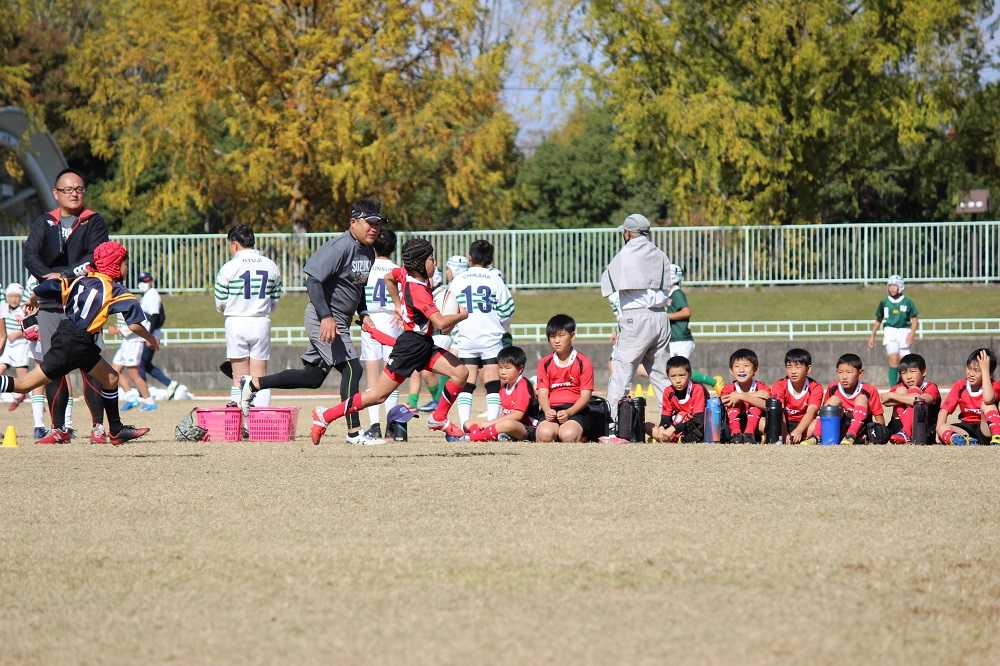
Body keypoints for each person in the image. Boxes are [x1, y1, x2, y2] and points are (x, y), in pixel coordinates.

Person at [239, 200, 384, 445]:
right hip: (324, 318)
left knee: (313, 377)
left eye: (378, 224)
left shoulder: (368, 251)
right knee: (352, 369)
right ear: (353, 222)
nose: (374, 229)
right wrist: (326, 316)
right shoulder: (340, 247)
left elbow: (358, 287)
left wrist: (364, 312)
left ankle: (253, 384)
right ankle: (354, 433)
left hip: (340, 319)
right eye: (369, 223)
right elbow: (313, 280)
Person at [309, 238, 470, 444]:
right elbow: (440, 322)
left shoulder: (407, 274)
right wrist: (462, 315)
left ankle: (438, 418)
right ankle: (325, 416)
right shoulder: (418, 291)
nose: (435, 263)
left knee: (460, 373)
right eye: (431, 259)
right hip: (410, 347)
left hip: (423, 343)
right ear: (420, 263)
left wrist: (398, 305)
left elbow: (389, 277)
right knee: (377, 396)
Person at [0, 241, 155, 445]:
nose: (126, 268)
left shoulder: (81, 280)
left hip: (69, 337)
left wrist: (34, 297)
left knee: (111, 378)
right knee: (23, 385)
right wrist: (151, 339)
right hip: (76, 343)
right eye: (125, 264)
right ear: (115, 265)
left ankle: (116, 430)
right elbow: (134, 326)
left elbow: (50, 284)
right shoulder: (117, 291)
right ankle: (114, 430)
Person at [22, 167, 110, 444]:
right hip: (50, 304)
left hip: (84, 304)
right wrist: (47, 276)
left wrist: (65, 275)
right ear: (56, 193)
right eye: (68, 189)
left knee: (89, 364)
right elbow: (30, 255)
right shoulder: (44, 222)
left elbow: (96, 257)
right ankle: (58, 428)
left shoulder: (93, 221)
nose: (74, 193)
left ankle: (98, 427)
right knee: (53, 366)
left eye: (79, 189)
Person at [600, 213, 671, 430]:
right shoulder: (659, 254)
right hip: (661, 316)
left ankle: (612, 424)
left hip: (636, 317)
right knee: (661, 375)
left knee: (622, 372)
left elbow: (607, 284)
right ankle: (673, 421)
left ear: (628, 232)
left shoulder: (625, 254)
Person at [447, 240, 515, 428]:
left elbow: (449, 308)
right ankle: (492, 426)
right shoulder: (495, 278)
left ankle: (464, 426)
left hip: (466, 336)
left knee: (466, 384)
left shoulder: (459, 279)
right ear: (491, 259)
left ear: (470, 258)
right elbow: (508, 309)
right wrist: (499, 326)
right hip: (490, 338)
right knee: (493, 384)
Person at [214, 225, 282, 407]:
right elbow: (275, 299)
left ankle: (240, 419)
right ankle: (261, 418)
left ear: (235, 244)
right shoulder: (270, 265)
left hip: (236, 322)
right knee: (260, 378)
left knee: (239, 378)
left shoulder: (228, 268)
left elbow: (220, 302)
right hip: (261, 322)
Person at [358, 228, 402, 440]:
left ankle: (374, 425)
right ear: (393, 248)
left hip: (371, 321)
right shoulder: (398, 270)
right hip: (393, 321)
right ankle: (392, 426)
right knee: (392, 375)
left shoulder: (366, 268)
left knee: (372, 377)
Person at [535, 314, 595, 443]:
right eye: (552, 336)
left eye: (561, 335)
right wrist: (547, 410)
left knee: (568, 435)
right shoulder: (544, 363)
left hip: (576, 411)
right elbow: (542, 393)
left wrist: (569, 412)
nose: (556, 340)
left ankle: (581, 435)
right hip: (551, 410)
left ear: (572, 336)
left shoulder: (583, 362)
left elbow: (586, 396)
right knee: (545, 434)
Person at [804, 353, 885, 446]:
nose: (844, 377)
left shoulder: (869, 390)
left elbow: (879, 418)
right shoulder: (833, 387)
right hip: (839, 426)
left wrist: (881, 432)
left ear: (860, 373)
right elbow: (825, 412)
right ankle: (815, 436)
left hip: (861, 430)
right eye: (840, 372)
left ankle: (851, 435)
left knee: (861, 398)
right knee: (833, 400)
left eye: (849, 372)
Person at [665, 264, 722, 393]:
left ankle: (713, 382)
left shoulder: (676, 293)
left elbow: (686, 312)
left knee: (680, 370)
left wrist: (666, 317)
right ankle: (704, 390)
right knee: (676, 370)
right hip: (675, 339)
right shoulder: (669, 294)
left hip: (681, 338)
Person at [464, 345, 538, 442]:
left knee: (507, 424)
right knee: (468, 423)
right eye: (500, 368)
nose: (503, 372)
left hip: (526, 428)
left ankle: (475, 437)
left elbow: (517, 415)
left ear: (520, 369)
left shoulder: (522, 385)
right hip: (503, 424)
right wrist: (488, 423)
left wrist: (490, 424)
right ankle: (494, 435)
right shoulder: (504, 386)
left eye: (507, 368)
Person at [936, 348, 1000, 446]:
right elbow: (944, 410)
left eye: (977, 370)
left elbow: (988, 399)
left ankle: (997, 438)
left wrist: (985, 371)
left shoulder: (994, 385)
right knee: (943, 427)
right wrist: (940, 429)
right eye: (969, 368)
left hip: (986, 429)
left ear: (989, 373)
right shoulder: (960, 385)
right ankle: (964, 441)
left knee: (987, 404)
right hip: (966, 429)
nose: (971, 374)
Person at [867, 275, 919, 387]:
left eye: (894, 286)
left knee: (906, 361)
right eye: (890, 286)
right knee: (893, 358)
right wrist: (872, 336)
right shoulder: (884, 302)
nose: (892, 288)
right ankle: (893, 387)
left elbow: (914, 320)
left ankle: (907, 385)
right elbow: (878, 320)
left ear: (900, 287)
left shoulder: (907, 302)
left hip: (904, 331)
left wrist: (912, 334)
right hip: (890, 332)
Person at [646, 355, 708, 443]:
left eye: (682, 375)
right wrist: (662, 428)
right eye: (673, 376)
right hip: (676, 424)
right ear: (668, 376)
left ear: (690, 374)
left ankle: (672, 438)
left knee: (682, 415)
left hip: (695, 426)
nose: (678, 380)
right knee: (646, 426)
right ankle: (663, 437)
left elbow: (699, 421)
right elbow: (665, 418)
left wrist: (674, 428)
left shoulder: (697, 389)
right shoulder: (668, 391)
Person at [768, 348, 823, 444]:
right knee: (766, 421)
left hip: (805, 424)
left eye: (798, 367)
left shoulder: (815, 387)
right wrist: (784, 434)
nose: (793, 371)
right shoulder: (779, 385)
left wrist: (799, 430)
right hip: (784, 423)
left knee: (820, 422)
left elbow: (811, 412)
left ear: (808, 369)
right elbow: (780, 412)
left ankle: (809, 438)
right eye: (789, 367)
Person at [883, 353, 940, 445]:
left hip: (922, 431)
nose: (908, 377)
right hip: (897, 429)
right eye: (903, 373)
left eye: (912, 371)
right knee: (902, 390)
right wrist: (906, 397)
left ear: (924, 372)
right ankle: (904, 432)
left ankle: (906, 432)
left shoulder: (930, 387)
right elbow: (884, 400)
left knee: (914, 391)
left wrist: (893, 396)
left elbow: (920, 401)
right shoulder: (901, 386)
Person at [136, 271, 178, 397]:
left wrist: (149, 336)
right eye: (142, 281)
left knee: (141, 364)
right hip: (148, 333)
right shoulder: (146, 295)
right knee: (145, 364)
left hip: (151, 333)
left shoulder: (152, 294)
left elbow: (154, 317)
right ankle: (170, 384)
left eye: (146, 280)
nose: (144, 283)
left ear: (151, 282)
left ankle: (143, 393)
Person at [720, 348, 771, 443]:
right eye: (737, 366)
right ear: (731, 371)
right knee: (733, 403)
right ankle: (736, 435)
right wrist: (753, 395)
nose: (741, 370)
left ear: (755, 369)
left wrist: (740, 396)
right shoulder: (728, 388)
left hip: (755, 425)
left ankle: (749, 434)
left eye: (746, 366)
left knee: (760, 415)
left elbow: (766, 405)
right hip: (733, 424)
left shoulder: (761, 386)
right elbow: (723, 402)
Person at [108, 313, 156, 412]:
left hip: (134, 343)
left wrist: (118, 330)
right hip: (126, 341)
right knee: (114, 371)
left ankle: (149, 401)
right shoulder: (119, 305)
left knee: (133, 374)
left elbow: (137, 326)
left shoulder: (132, 305)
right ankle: (131, 398)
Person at [0, 283, 30, 411]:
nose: (14, 299)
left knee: (24, 380)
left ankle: (28, 398)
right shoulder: (3, 307)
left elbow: (32, 329)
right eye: (11, 296)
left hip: (21, 346)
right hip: (7, 346)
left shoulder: (24, 309)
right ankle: (20, 395)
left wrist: (19, 334)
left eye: (17, 296)